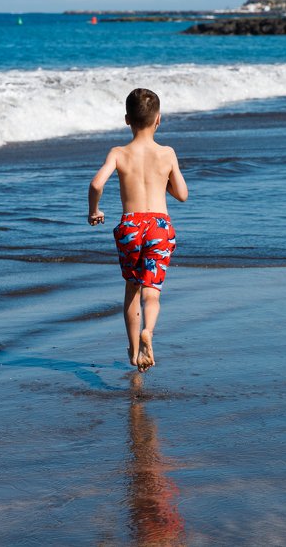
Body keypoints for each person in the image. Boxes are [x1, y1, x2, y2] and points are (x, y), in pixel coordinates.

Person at [88, 88, 188, 372]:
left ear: (126, 119)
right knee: (151, 291)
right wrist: (167, 180)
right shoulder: (167, 153)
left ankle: (133, 351)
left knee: (131, 289)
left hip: (130, 225)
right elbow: (182, 194)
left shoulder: (118, 153)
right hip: (159, 226)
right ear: (159, 120)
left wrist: (94, 211)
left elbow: (96, 184)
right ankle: (149, 332)